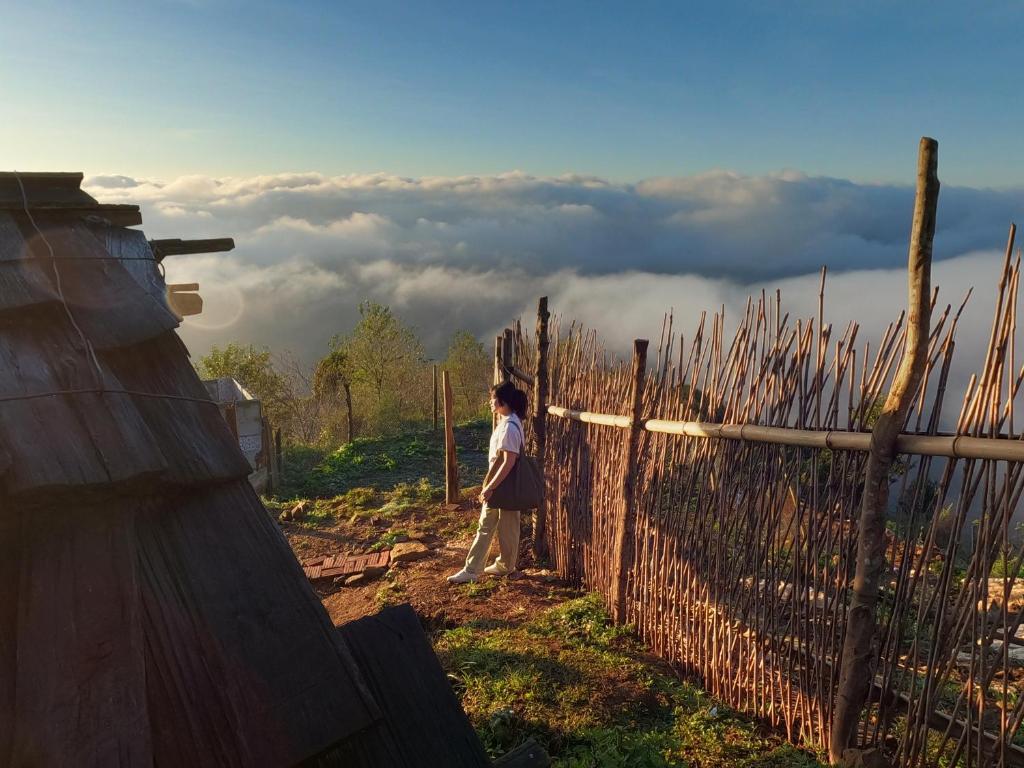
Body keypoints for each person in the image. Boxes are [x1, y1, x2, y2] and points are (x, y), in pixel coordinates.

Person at [447, 381, 528, 584]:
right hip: (509, 485)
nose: (489, 403)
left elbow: (509, 461)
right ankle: (505, 565)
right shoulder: (513, 421)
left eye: (492, 399)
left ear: (502, 401)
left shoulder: (509, 427)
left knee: (486, 526)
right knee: (508, 527)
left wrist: (490, 487)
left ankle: (472, 569)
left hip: (502, 485)